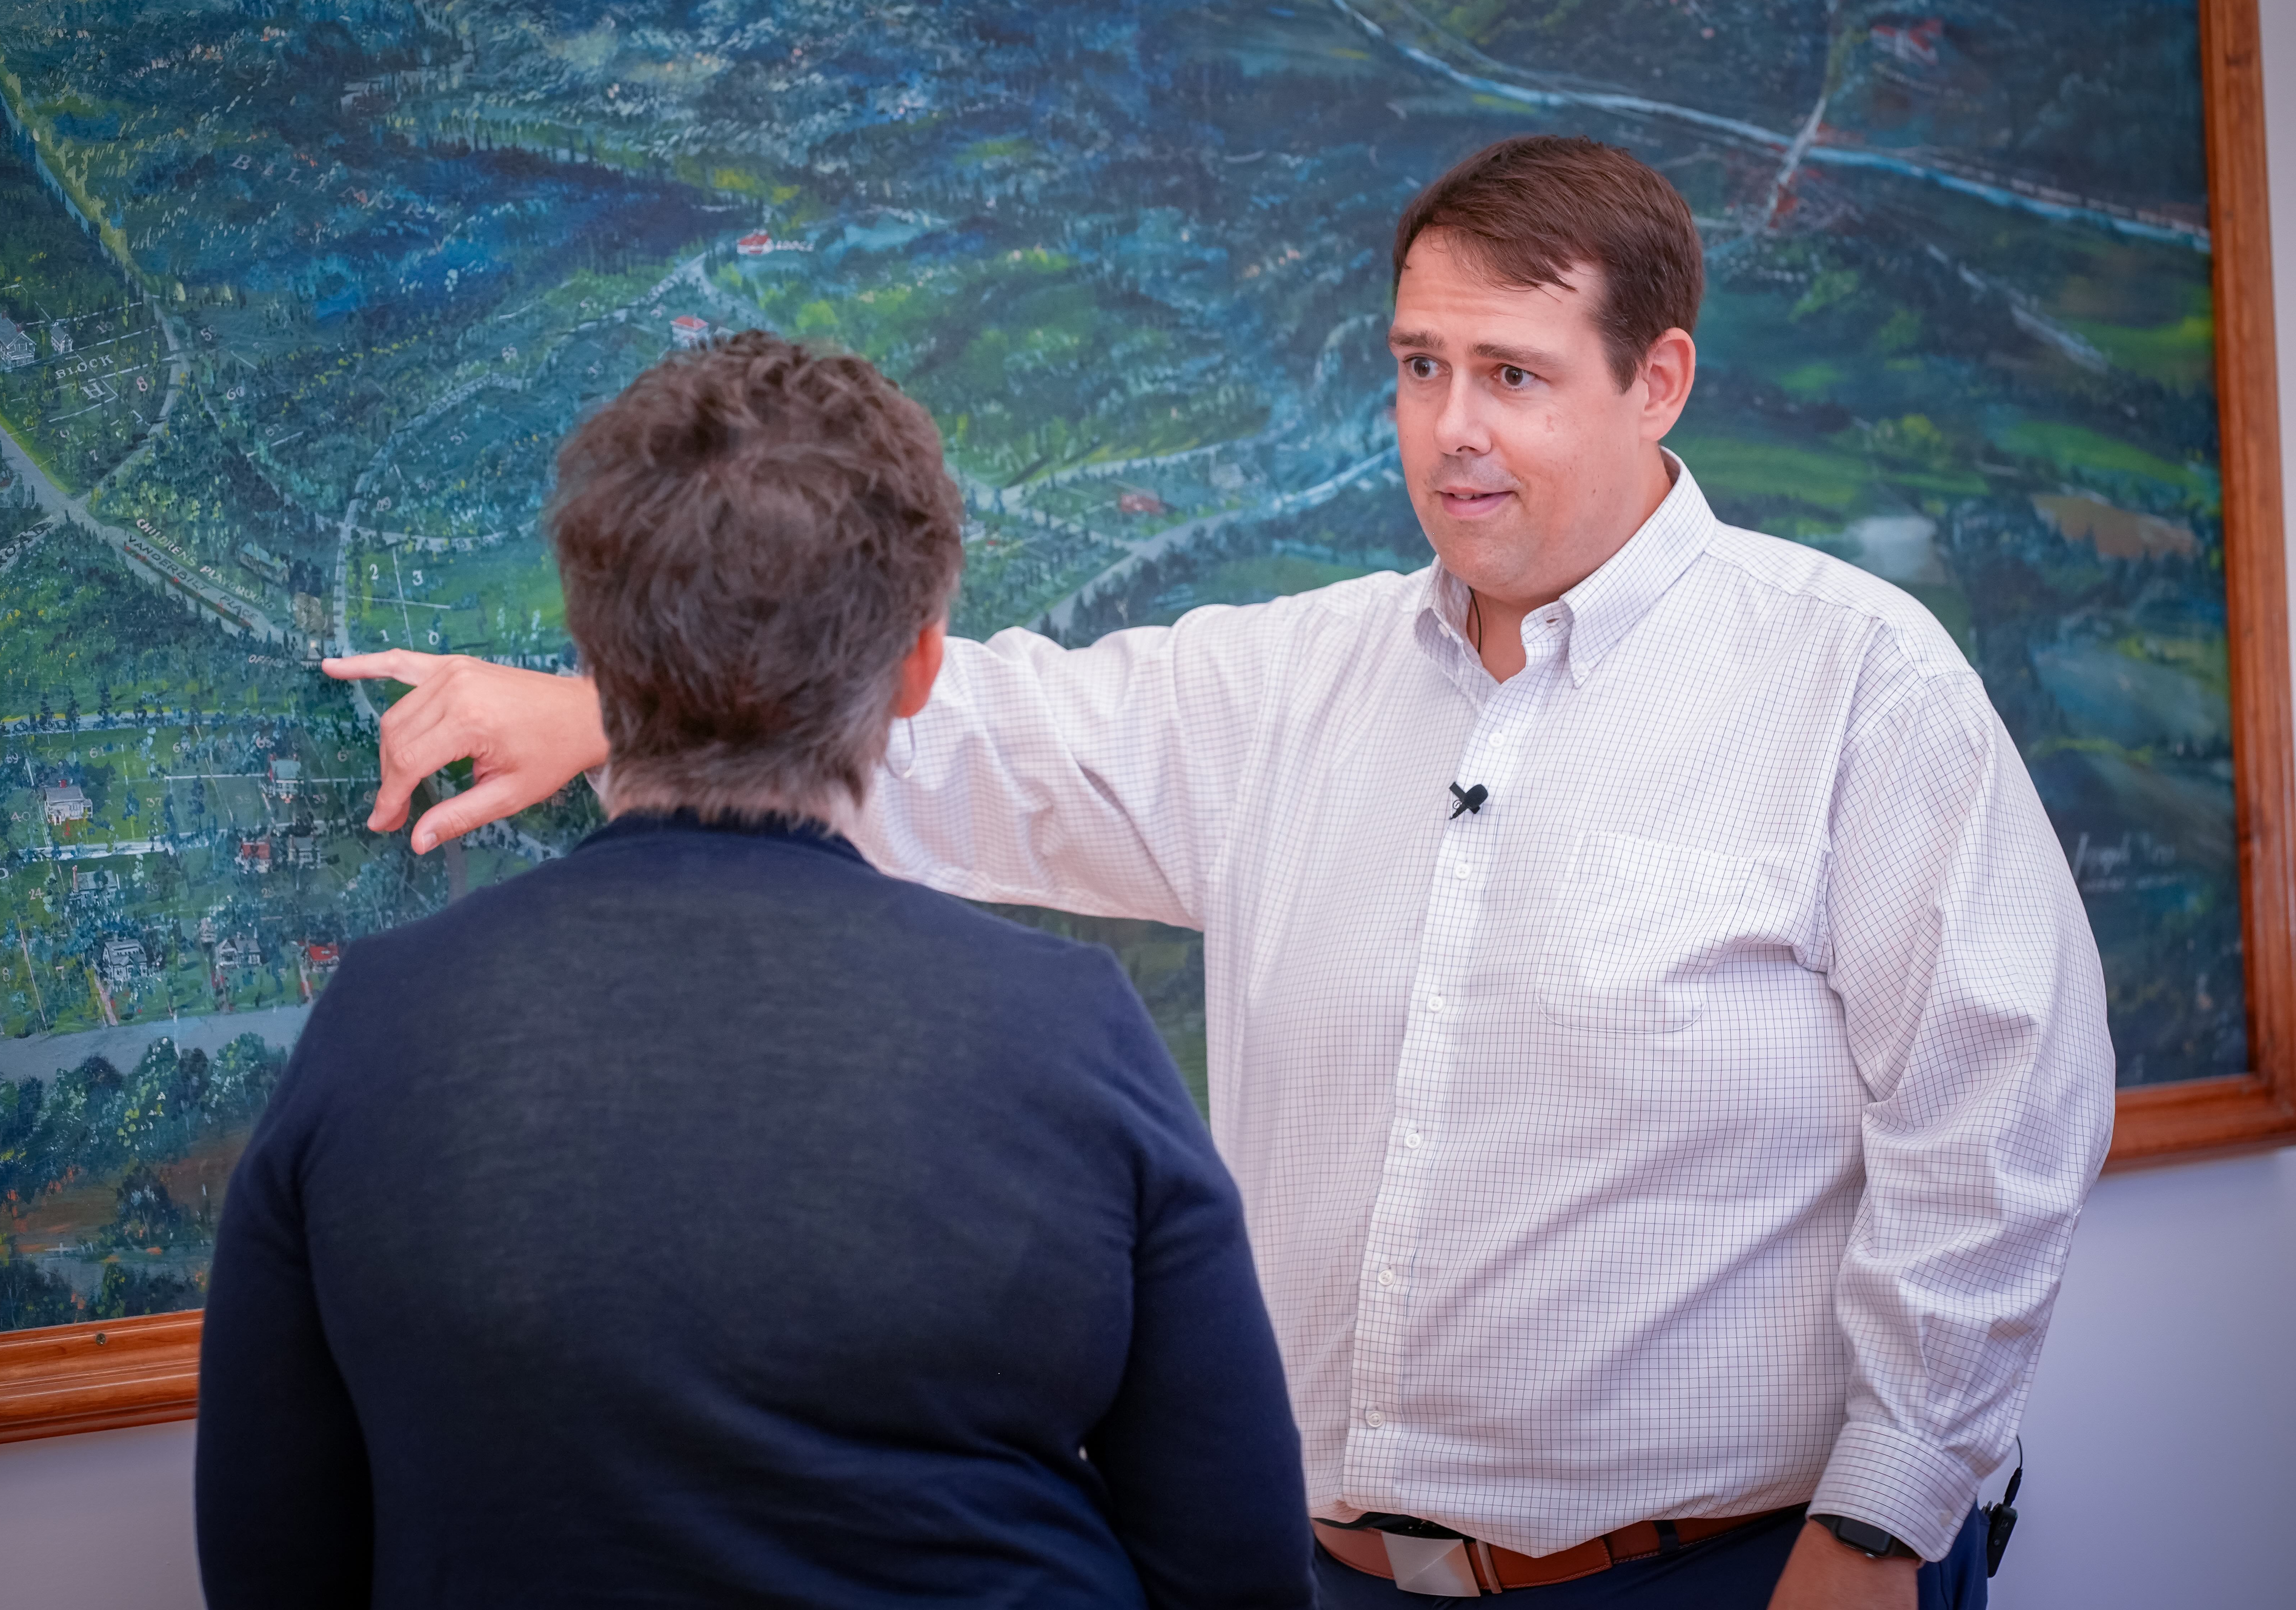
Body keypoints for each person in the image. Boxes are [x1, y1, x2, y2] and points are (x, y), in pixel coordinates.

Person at [329, 137, 2115, 1608]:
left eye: (1512, 375)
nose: (1451, 427)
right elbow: (984, 734)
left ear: (1660, 381)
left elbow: (2001, 1121)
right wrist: (612, 706)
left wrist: (1882, 1526)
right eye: (1419, 366)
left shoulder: (1854, 684)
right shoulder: (1295, 681)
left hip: (1732, 1572)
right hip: (1325, 1576)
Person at [196, 331, 1318, 1609]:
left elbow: (271, 1562)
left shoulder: (381, 1028)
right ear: (921, 668)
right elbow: (1235, 1566)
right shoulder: (1073, 1035)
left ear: (590, 653)